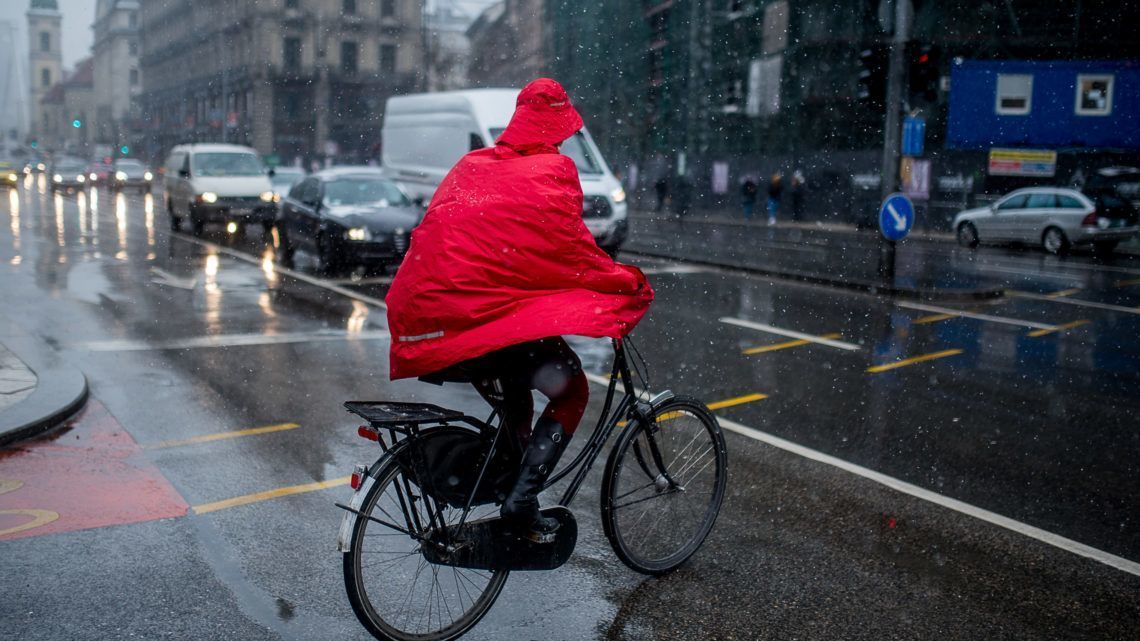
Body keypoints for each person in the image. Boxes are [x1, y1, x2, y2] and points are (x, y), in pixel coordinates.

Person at [385, 78, 654, 540]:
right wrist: (624, 283)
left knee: (518, 386)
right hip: (480, 322)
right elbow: (569, 253)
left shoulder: (472, 165)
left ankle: (510, 480)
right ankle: (521, 502)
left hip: (437, 323)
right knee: (570, 392)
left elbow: (472, 247)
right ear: (558, 128)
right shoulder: (553, 170)